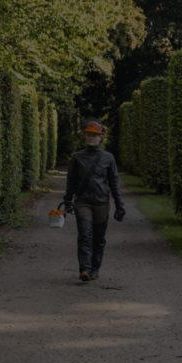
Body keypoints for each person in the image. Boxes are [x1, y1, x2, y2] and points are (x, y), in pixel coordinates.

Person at [63, 119, 126, 282]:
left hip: (101, 203)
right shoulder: (77, 157)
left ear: (101, 137)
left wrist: (120, 205)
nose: (91, 137)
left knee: (99, 238)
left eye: (95, 135)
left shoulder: (108, 158)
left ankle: (95, 268)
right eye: (89, 134)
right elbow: (71, 181)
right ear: (85, 136)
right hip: (83, 202)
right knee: (85, 234)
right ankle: (84, 268)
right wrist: (68, 200)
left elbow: (114, 183)